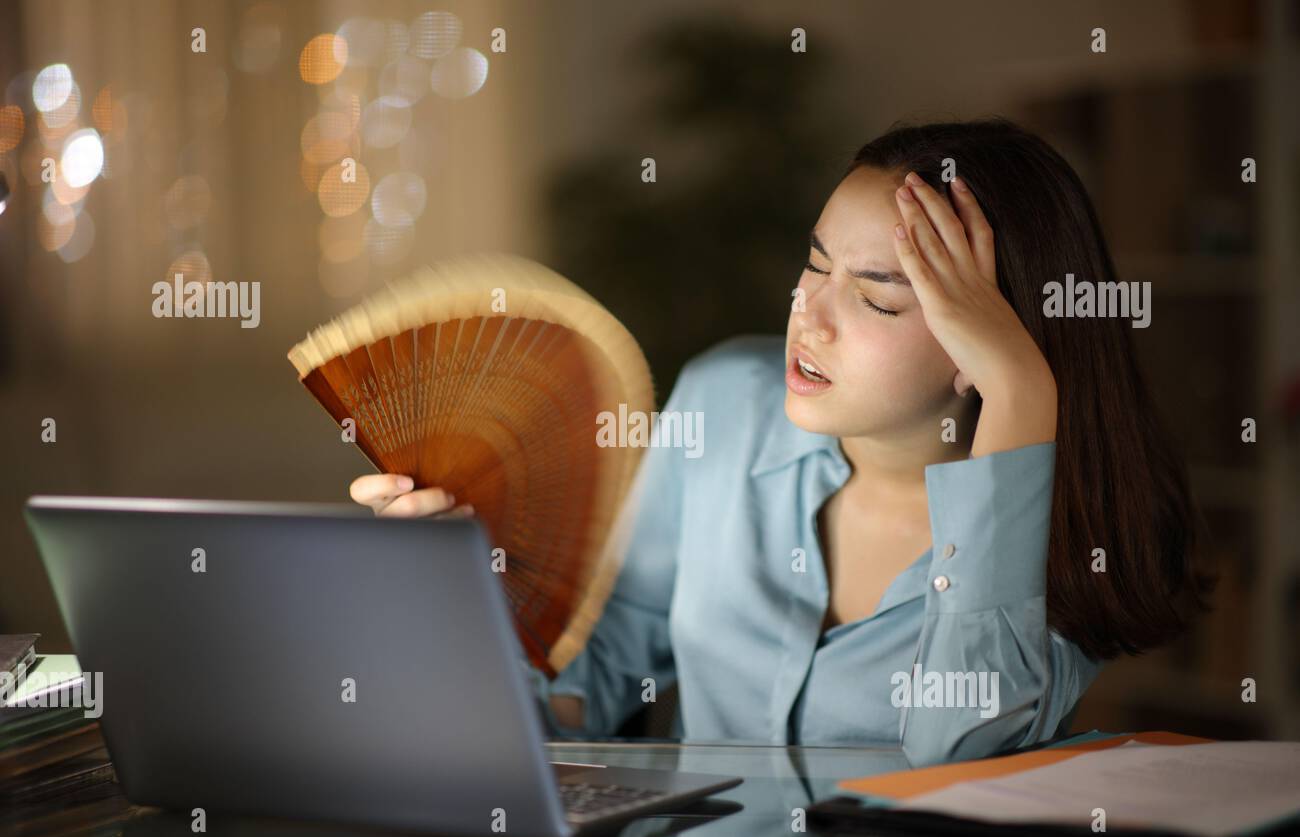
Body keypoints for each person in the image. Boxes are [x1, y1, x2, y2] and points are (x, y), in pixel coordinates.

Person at [350, 120, 1215, 767]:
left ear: (988, 348)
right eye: (814, 264)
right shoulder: (724, 403)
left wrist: (1025, 391)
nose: (811, 314)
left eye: (878, 296)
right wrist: (456, 595)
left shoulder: (1060, 527)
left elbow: (959, 757)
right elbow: (598, 677)